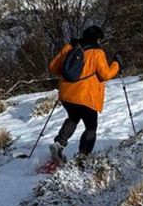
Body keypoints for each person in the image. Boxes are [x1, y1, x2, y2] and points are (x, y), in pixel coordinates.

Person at [47, 25, 121, 164]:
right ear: (98, 39)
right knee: (91, 126)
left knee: (73, 118)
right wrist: (116, 64)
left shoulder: (69, 47)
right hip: (87, 96)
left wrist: (69, 77)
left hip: (67, 95)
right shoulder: (97, 53)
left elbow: (53, 67)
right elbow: (105, 74)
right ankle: (83, 156)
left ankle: (59, 144)